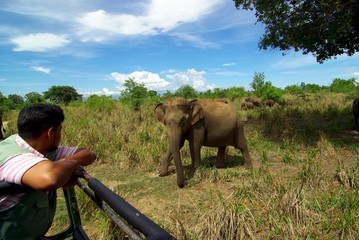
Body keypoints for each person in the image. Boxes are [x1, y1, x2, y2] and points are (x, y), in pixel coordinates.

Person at [0, 103, 97, 239]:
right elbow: (50, 178)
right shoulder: (13, 157)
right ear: (51, 133)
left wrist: (65, 163)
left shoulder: (40, 149)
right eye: (60, 130)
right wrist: (71, 164)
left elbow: (89, 155)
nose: (60, 135)